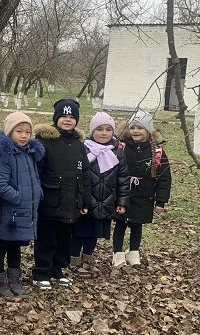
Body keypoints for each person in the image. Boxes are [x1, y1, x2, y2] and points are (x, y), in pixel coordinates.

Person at [32, 98, 90, 289]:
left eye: (72, 117)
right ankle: (41, 271)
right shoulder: (44, 142)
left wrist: (84, 201)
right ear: (56, 118)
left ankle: (58, 269)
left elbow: (85, 174)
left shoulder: (79, 145)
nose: (67, 120)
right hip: (49, 200)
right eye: (64, 116)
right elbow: (37, 172)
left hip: (71, 201)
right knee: (46, 238)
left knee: (65, 239)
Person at [0, 112, 45, 300]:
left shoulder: (29, 154)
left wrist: (37, 193)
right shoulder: (7, 155)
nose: (23, 136)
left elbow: (34, 178)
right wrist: (18, 197)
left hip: (25, 211)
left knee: (16, 246)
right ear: (10, 132)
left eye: (27, 132)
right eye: (19, 131)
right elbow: (0, 184)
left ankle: (15, 279)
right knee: (2, 245)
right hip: (10, 212)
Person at [70, 112, 129, 277]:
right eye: (99, 129)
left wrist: (122, 202)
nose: (104, 133)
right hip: (86, 202)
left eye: (108, 130)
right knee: (80, 232)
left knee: (94, 234)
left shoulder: (117, 153)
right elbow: (77, 176)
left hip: (106, 201)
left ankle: (87, 259)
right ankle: (74, 260)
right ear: (92, 131)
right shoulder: (83, 150)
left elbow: (123, 179)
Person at [112, 109, 171, 268]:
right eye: (132, 127)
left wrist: (160, 201)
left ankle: (133, 252)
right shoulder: (121, 147)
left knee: (137, 225)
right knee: (120, 224)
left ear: (148, 130)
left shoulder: (157, 152)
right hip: (123, 194)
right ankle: (117, 253)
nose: (135, 131)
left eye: (140, 128)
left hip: (144, 195)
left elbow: (164, 178)